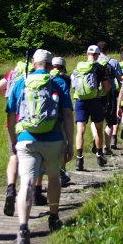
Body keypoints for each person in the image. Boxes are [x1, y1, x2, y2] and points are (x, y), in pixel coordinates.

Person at [5, 49, 74, 244]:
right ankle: (53, 218)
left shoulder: (21, 82)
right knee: (53, 177)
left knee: (26, 183)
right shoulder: (59, 83)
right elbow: (67, 115)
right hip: (53, 139)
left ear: (33, 63)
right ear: (51, 65)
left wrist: (14, 140)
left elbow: (10, 116)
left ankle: (23, 228)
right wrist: (69, 142)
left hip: (26, 139)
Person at [0, 60, 47, 217]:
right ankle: (36, 191)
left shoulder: (14, 72)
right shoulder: (37, 74)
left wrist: (9, 96)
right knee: (37, 156)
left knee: (13, 156)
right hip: (30, 122)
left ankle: (10, 188)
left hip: (12, 121)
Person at [72, 45, 110, 170]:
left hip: (79, 100)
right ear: (98, 55)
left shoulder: (78, 67)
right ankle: (99, 156)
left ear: (87, 53)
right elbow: (106, 87)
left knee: (80, 130)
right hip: (95, 100)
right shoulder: (99, 67)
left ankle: (79, 159)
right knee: (99, 129)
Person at [97, 41, 123, 152]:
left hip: (95, 95)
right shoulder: (113, 62)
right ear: (108, 50)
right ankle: (106, 147)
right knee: (110, 122)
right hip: (110, 95)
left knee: (96, 121)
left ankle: (96, 140)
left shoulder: (93, 62)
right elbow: (120, 80)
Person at [51, 56, 72, 187]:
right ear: (63, 67)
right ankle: (61, 171)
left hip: (44, 117)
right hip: (61, 116)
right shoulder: (65, 79)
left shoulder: (46, 77)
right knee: (62, 145)